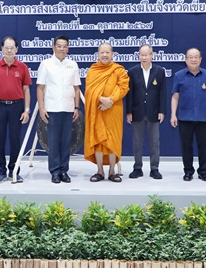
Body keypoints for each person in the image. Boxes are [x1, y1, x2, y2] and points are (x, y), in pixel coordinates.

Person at [37, 35, 81, 184]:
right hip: (52, 109)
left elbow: (76, 88)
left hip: (68, 109)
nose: (62, 49)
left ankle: (64, 171)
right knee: (54, 142)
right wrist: (41, 108)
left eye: (65, 46)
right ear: (53, 47)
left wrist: (76, 107)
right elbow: (40, 88)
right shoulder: (46, 64)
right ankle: (55, 171)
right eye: (59, 46)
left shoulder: (73, 65)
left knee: (66, 142)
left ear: (68, 48)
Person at [0, 36, 32, 184]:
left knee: (15, 140)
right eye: (6, 47)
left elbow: (26, 90)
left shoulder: (22, 67)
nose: (9, 50)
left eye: (12, 47)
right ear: (2, 49)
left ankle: (14, 170)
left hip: (16, 107)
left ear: (17, 49)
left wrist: (26, 110)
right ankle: (1, 171)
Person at [84, 43, 130, 182]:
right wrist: (101, 99)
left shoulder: (118, 70)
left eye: (107, 52)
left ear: (112, 54)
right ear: (98, 54)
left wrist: (110, 101)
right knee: (98, 140)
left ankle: (111, 171)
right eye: (102, 52)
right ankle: (99, 171)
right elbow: (89, 90)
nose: (105, 55)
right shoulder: (93, 70)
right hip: (97, 109)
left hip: (113, 110)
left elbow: (123, 87)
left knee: (112, 140)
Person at [170, 48, 206, 181]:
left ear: (201, 59)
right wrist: (173, 114)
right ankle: (188, 171)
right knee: (186, 146)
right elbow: (175, 96)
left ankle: (203, 172)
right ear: (186, 59)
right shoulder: (179, 75)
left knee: (204, 146)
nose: (193, 59)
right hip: (185, 116)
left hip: (203, 117)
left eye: (196, 57)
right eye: (190, 57)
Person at [125, 44, 167, 180]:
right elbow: (129, 93)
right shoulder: (132, 71)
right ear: (138, 56)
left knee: (155, 142)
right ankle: (137, 167)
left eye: (146, 54)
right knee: (137, 142)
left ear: (152, 55)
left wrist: (162, 111)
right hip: (137, 112)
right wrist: (129, 112)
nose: (144, 57)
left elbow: (162, 93)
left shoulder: (159, 71)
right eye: (141, 55)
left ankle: (154, 168)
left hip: (153, 112)